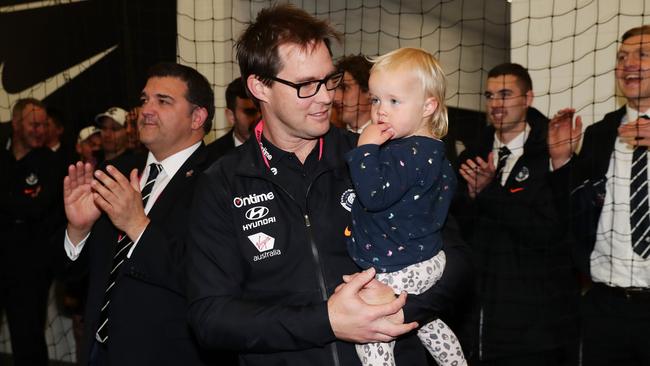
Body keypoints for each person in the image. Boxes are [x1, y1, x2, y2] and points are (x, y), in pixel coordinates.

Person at [186, 4, 472, 366]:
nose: (326, 96)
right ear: (260, 86)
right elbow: (211, 318)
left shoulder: (374, 159)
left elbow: (458, 260)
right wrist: (327, 321)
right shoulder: (223, 183)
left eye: (329, 79)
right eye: (306, 85)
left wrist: (400, 310)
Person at [61, 62, 234, 366]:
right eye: (144, 100)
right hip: (98, 351)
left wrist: (138, 226)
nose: (146, 110)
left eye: (163, 101)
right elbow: (75, 282)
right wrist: (78, 231)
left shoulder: (222, 180)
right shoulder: (118, 172)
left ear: (198, 117)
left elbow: (207, 280)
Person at [345, 47, 466, 366]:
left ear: (428, 106)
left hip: (403, 267)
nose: (381, 111)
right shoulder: (434, 151)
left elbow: (373, 196)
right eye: (375, 100)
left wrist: (365, 150)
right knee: (426, 324)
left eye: (394, 101)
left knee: (373, 334)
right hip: (427, 260)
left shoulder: (408, 153)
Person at [457, 63, 578, 365]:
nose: (496, 104)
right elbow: (458, 232)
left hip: (535, 320)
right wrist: (471, 199)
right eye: (490, 95)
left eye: (506, 94)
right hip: (479, 315)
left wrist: (489, 193)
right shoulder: (471, 155)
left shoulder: (552, 153)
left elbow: (549, 232)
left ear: (528, 98)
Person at [548, 25, 650, 366]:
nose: (629, 64)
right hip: (605, 307)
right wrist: (562, 160)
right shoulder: (599, 134)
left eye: (643, 55)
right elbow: (570, 213)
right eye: (622, 57)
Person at [0, 98, 63, 366]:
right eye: (33, 124)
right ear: (15, 124)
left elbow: (38, 208)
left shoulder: (52, 163)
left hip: (30, 267)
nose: (39, 130)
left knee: (28, 338)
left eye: (43, 125)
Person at [205, 76, 260, 162]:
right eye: (250, 112)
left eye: (263, 110)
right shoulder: (210, 158)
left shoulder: (284, 149)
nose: (259, 117)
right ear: (231, 116)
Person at [334, 54, 373, 133]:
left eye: (344, 88)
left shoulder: (391, 141)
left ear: (370, 92)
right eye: (334, 90)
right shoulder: (332, 139)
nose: (335, 98)